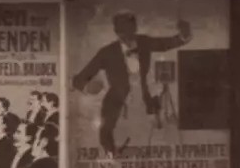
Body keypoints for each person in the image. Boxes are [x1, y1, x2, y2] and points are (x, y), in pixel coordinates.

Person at [71, 13, 193, 155]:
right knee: (108, 137)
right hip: (116, 103)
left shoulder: (144, 43)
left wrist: (184, 34)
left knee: (145, 140)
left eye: (131, 32)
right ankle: (112, 156)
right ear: (117, 33)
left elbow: (166, 43)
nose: (130, 39)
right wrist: (88, 87)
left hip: (143, 102)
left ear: (135, 30)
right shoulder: (107, 52)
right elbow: (79, 79)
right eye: (124, 34)